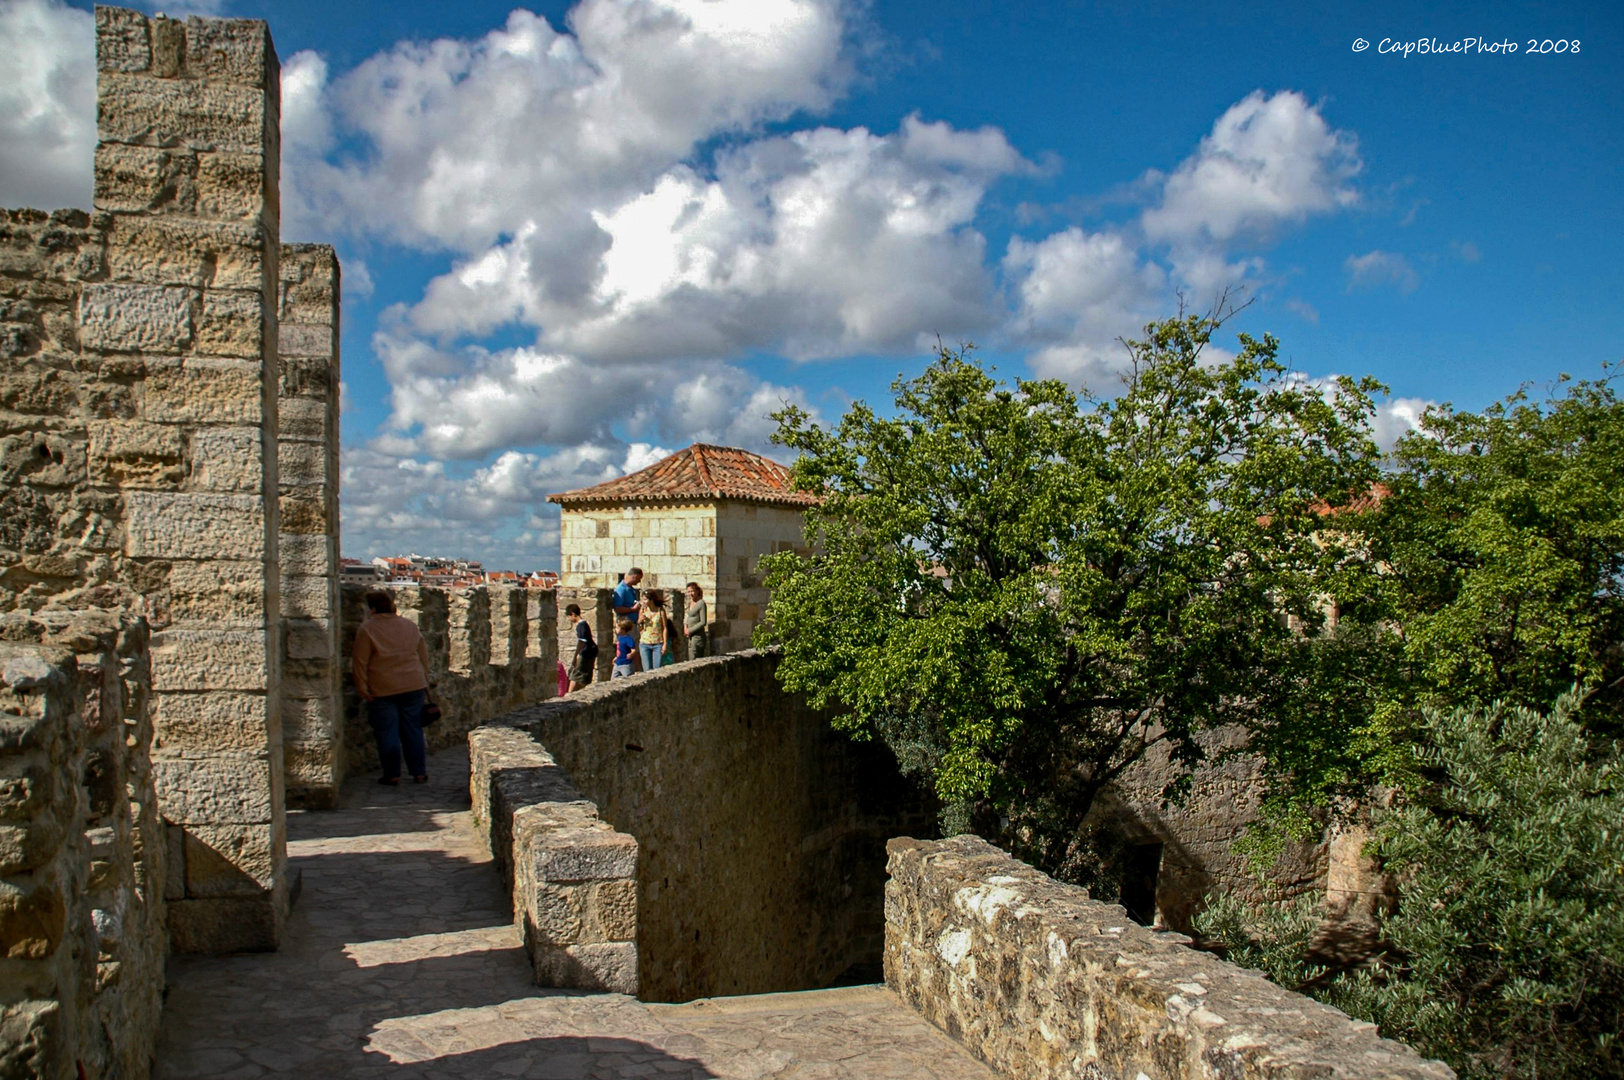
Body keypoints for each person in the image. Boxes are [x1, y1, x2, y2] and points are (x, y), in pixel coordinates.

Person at [352, 589, 431, 786]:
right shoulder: (409, 625)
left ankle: (392, 774)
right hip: (413, 684)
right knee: (413, 729)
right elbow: (423, 655)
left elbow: (360, 661)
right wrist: (425, 680)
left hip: (383, 687)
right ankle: (419, 773)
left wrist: (362, 688)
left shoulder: (367, 629)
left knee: (388, 731)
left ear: (372, 609)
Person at [565, 603, 597, 693]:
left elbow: (581, 642)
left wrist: (576, 656)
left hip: (586, 652)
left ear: (573, 614)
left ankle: (569, 693)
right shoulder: (584, 624)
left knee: (576, 673)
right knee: (586, 673)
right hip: (591, 650)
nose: (569, 619)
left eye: (569, 616)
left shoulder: (581, 625)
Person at [638, 589, 669, 672]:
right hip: (645, 643)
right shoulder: (642, 610)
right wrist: (640, 621)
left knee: (657, 670)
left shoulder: (660, 611)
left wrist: (665, 644)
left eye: (645, 599)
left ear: (651, 600)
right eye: (643, 599)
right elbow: (640, 628)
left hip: (658, 643)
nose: (643, 602)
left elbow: (665, 628)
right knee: (647, 670)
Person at [684, 582, 709, 659]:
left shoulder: (701, 603)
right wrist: (685, 627)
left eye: (692, 591)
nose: (690, 594)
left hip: (697, 637)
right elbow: (687, 617)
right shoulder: (689, 603)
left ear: (697, 591)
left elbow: (703, 622)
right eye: (688, 592)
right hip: (689, 637)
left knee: (694, 658)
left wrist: (690, 630)